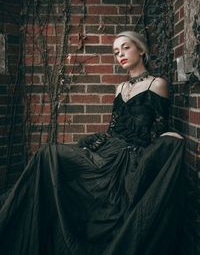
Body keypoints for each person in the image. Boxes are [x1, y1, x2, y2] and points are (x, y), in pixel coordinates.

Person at [0, 31, 185, 255]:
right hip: (107, 150)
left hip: (128, 159)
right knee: (47, 155)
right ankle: (14, 219)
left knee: (49, 154)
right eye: (116, 52)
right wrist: (95, 145)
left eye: (126, 48)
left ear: (141, 50)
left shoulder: (157, 84)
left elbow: (159, 129)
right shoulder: (120, 89)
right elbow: (113, 129)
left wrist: (170, 139)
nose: (120, 55)